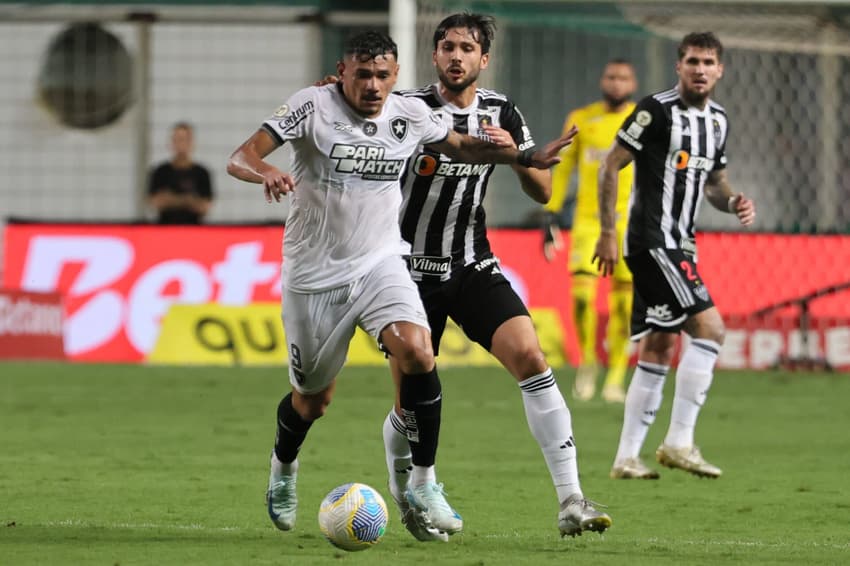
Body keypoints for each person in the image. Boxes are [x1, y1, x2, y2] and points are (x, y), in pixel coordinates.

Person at [226, 31, 574, 537]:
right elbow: (241, 155)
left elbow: (461, 146)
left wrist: (526, 157)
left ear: (395, 76)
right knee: (312, 401)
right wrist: (266, 173)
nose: (373, 86)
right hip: (314, 275)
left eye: (383, 76)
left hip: (383, 262)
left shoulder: (407, 114)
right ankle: (283, 467)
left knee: (417, 350)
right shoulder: (311, 105)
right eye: (362, 75)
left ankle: (424, 482)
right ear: (341, 71)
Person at [379, 13, 611, 540]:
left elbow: (543, 190)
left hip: (471, 262)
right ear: (435, 56)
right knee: (407, 402)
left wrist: (513, 153)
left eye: (467, 48)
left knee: (531, 356)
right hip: (406, 270)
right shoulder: (409, 108)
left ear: (484, 59)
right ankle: (410, 487)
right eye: (447, 47)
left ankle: (571, 499)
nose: (456, 56)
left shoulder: (501, 109)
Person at [593, 32, 756, 480]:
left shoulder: (719, 120)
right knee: (711, 328)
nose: (700, 69)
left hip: (682, 243)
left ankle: (626, 457)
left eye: (708, 62)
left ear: (720, 70)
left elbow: (715, 184)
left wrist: (734, 201)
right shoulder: (655, 110)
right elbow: (611, 163)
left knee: (661, 344)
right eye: (692, 61)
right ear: (678, 67)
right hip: (651, 240)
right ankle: (679, 441)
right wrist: (608, 232)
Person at [543, 60, 638, 404]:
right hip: (588, 221)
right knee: (582, 297)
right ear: (602, 79)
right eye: (611, 76)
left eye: (623, 77)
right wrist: (550, 212)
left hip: (630, 222)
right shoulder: (582, 118)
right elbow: (564, 166)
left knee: (624, 307)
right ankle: (587, 362)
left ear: (633, 83)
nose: (617, 83)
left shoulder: (641, 121)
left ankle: (615, 377)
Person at [148, 122, 214, 224]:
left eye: (185, 140)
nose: (181, 144)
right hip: (165, 229)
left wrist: (171, 199)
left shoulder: (202, 173)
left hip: (194, 230)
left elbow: (204, 207)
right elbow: (156, 203)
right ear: (172, 142)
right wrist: (189, 200)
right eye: (178, 140)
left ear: (191, 142)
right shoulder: (160, 172)